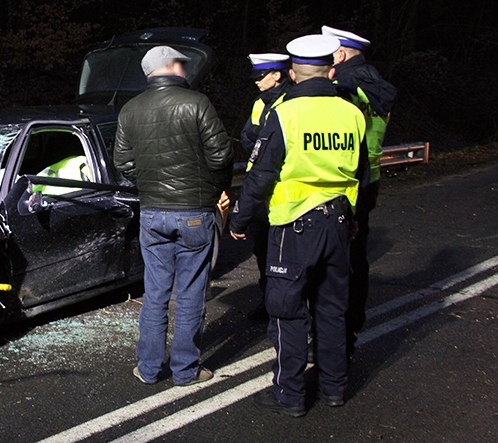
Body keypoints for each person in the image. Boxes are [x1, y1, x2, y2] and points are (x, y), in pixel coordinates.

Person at [229, 34, 367, 417]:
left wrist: (240, 218)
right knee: (332, 308)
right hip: (339, 221)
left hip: (295, 225)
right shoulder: (352, 112)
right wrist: (352, 220)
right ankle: (334, 387)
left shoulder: (284, 113)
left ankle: (290, 395)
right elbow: (362, 174)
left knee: (288, 311)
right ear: (332, 70)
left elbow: (260, 175)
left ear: (292, 73)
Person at [114, 45, 232, 386]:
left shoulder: (130, 110)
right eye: (180, 63)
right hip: (194, 212)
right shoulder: (197, 103)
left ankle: (148, 369)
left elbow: (122, 162)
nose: (184, 68)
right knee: (191, 292)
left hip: (152, 213)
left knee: (155, 294)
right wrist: (215, 190)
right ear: (170, 67)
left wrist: (149, 185)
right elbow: (221, 155)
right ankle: (186, 370)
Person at [322, 25, 398, 357]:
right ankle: (352, 326)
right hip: (369, 182)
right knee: (356, 257)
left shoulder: (342, 88)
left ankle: (332, 336)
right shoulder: (378, 88)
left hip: (341, 181)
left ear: (339, 55)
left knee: (332, 262)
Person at [240, 53, 291, 319]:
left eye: (261, 76)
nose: (257, 82)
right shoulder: (260, 103)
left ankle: (286, 306)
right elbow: (247, 137)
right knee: (262, 250)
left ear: (277, 75)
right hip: (260, 189)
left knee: (286, 255)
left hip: (283, 189)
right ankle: (267, 300)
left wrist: (263, 145)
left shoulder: (291, 103)